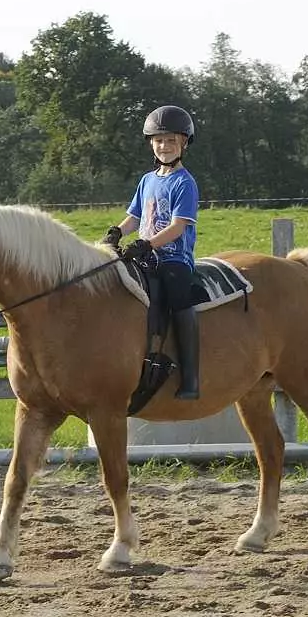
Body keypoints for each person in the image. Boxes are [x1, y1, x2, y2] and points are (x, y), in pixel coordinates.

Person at [110, 104, 205, 400]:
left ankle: (190, 376)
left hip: (174, 258)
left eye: (171, 141)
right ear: (151, 143)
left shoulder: (184, 183)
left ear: (184, 144)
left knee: (179, 297)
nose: (164, 146)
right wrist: (117, 231)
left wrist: (148, 243)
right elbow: (135, 218)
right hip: (145, 255)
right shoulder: (147, 180)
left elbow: (178, 227)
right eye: (159, 140)